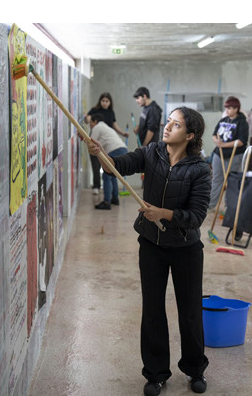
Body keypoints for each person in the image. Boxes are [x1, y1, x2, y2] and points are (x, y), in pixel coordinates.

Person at [86, 106, 211, 396]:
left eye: (176, 125)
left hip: (186, 248)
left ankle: (195, 370)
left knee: (190, 312)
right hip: (151, 245)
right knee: (153, 310)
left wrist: (164, 214)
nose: (167, 127)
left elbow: (196, 217)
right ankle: (155, 374)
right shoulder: (151, 152)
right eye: (168, 122)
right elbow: (117, 166)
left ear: (190, 135)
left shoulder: (200, 169)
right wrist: (100, 153)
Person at [207, 97, 248, 223]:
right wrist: (216, 142)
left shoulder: (242, 123)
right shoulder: (223, 120)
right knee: (217, 179)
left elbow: (241, 141)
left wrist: (223, 145)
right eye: (226, 108)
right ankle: (211, 205)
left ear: (236, 109)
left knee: (231, 182)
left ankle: (229, 208)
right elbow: (214, 134)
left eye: (230, 108)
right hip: (218, 154)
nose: (227, 110)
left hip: (234, 156)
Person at [84, 92, 130, 194]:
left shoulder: (110, 113)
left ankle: (109, 199)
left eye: (107, 101)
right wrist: (87, 118)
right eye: (103, 101)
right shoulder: (95, 110)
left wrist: (123, 133)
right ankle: (97, 187)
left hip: (106, 145)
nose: (105, 103)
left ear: (110, 102)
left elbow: (114, 125)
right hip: (96, 140)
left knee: (109, 172)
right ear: (100, 101)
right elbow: (87, 119)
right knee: (97, 166)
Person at [88, 113, 129, 210]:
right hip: (123, 149)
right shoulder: (107, 127)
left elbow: (91, 142)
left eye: (91, 123)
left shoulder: (97, 127)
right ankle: (115, 198)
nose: (90, 125)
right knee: (112, 174)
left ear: (95, 121)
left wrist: (83, 137)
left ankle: (107, 202)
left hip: (114, 150)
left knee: (106, 175)